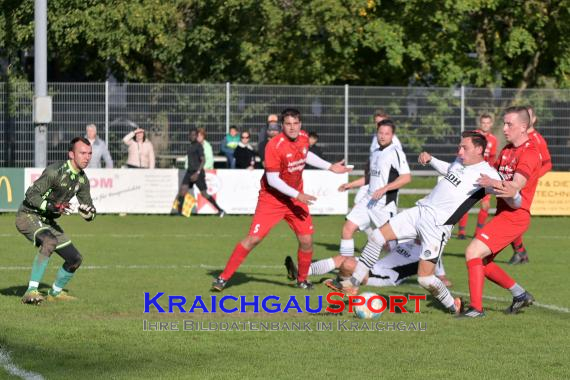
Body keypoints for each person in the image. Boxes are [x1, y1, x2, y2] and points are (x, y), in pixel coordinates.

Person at [327, 131, 509, 316]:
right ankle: (354, 283)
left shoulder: (488, 172)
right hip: (420, 211)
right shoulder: (459, 163)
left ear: (479, 149)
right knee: (376, 237)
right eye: (459, 146)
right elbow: (449, 169)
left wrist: (495, 182)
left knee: (425, 279)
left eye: (464, 147)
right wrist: (431, 160)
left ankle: (454, 306)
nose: (460, 151)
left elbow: (510, 190)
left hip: (436, 227)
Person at [211, 108, 352, 291]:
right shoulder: (274, 146)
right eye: (288, 124)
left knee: (307, 241)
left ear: (300, 124)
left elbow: (305, 154)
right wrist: (298, 195)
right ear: (282, 126)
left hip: (294, 200)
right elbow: (273, 180)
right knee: (253, 239)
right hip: (272, 199)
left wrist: (330, 167)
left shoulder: (303, 137)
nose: (292, 128)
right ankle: (223, 278)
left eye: (295, 123)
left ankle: (302, 280)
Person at [460, 106, 541, 318]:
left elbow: (515, 186)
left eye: (509, 124)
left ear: (523, 127)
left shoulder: (530, 153)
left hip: (516, 216)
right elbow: (490, 175)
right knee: (482, 261)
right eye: (504, 123)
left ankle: (476, 309)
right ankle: (520, 294)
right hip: (504, 214)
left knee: (472, 252)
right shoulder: (506, 150)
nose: (504, 128)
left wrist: (493, 182)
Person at [15, 137, 97, 304]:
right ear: (71, 154)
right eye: (82, 153)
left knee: (75, 259)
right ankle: (30, 292)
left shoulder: (82, 180)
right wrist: (52, 206)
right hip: (28, 214)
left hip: (48, 221)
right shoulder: (55, 171)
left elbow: (91, 210)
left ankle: (55, 292)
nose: (87, 157)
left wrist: (87, 213)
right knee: (49, 242)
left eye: (89, 153)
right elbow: (31, 195)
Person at [335, 120, 411, 259]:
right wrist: (350, 185)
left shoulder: (396, 152)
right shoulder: (375, 153)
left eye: (387, 134)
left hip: (384, 205)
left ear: (392, 135)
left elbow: (406, 178)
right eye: (380, 133)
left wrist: (385, 188)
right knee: (347, 228)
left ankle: (405, 269)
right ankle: (346, 265)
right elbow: (371, 178)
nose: (383, 136)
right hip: (368, 200)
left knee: (392, 246)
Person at [285, 239, 449, 288]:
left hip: (385, 276)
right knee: (341, 258)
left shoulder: (430, 253)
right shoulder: (406, 242)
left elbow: (441, 278)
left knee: (348, 265)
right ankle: (300, 273)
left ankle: (343, 285)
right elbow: (387, 247)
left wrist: (442, 282)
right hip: (374, 266)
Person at [508, 104, 552, 265]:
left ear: (533, 119)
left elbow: (547, 164)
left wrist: (530, 178)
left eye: (529, 115)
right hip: (514, 184)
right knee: (508, 216)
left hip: (524, 187)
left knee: (512, 218)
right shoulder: (517, 138)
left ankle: (520, 252)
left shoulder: (538, 140)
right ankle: (520, 252)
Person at [456, 113, 498, 239]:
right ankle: (461, 232)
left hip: (484, 175)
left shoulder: (493, 140)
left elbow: (492, 158)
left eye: (488, 123)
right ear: (480, 123)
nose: (485, 125)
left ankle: (477, 233)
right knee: (465, 201)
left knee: (485, 205)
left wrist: (491, 173)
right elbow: (461, 149)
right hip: (470, 172)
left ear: (491, 124)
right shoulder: (472, 136)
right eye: (483, 122)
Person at [354, 110, 404, 204]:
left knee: (383, 214)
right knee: (358, 203)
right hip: (372, 180)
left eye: (381, 122)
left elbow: (400, 168)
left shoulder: (394, 142)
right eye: (376, 122)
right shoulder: (376, 137)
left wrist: (388, 186)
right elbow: (373, 157)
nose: (378, 124)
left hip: (384, 184)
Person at [175, 128, 225, 217]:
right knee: (182, 191)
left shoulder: (199, 146)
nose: (192, 136)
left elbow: (203, 160)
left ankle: (220, 210)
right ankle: (179, 213)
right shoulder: (190, 146)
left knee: (204, 194)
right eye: (190, 134)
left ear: (197, 136)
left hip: (198, 173)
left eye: (194, 135)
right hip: (189, 172)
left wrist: (197, 173)